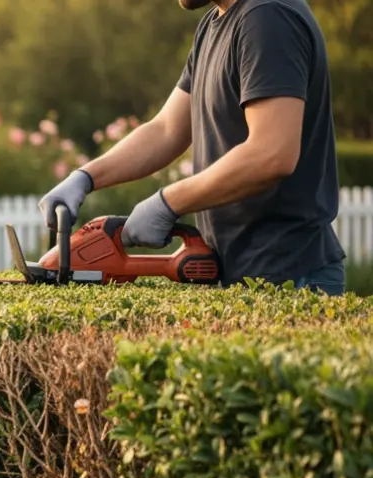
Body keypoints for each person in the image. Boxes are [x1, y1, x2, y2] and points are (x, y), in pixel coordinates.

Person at [39, 0, 346, 295]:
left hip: (289, 275)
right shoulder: (216, 24)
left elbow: (272, 152)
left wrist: (168, 202)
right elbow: (166, 130)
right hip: (243, 270)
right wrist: (84, 178)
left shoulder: (268, 17)